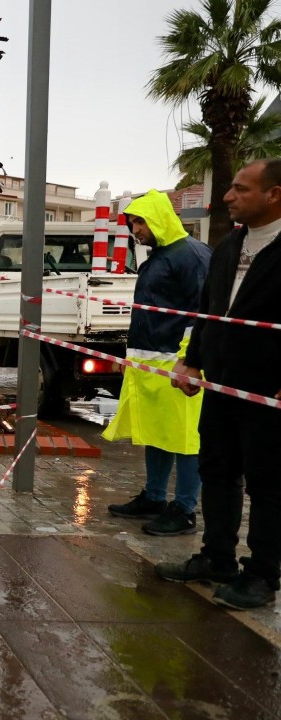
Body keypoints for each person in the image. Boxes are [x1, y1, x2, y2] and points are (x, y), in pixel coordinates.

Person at [159, 158, 281, 610]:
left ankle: (264, 575)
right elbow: (210, 310)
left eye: (241, 189)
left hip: (269, 393)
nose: (228, 196)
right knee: (217, 470)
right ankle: (218, 558)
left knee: (268, 484)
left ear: (274, 194)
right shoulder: (229, 245)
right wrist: (193, 363)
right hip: (222, 384)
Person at [104, 189, 211, 536]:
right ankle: (154, 497)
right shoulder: (160, 256)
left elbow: (202, 312)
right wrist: (132, 356)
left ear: (159, 219)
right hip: (150, 360)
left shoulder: (192, 255)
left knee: (184, 438)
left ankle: (184, 509)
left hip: (178, 363)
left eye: (140, 221)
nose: (135, 229)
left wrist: (187, 359)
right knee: (157, 433)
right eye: (133, 222)